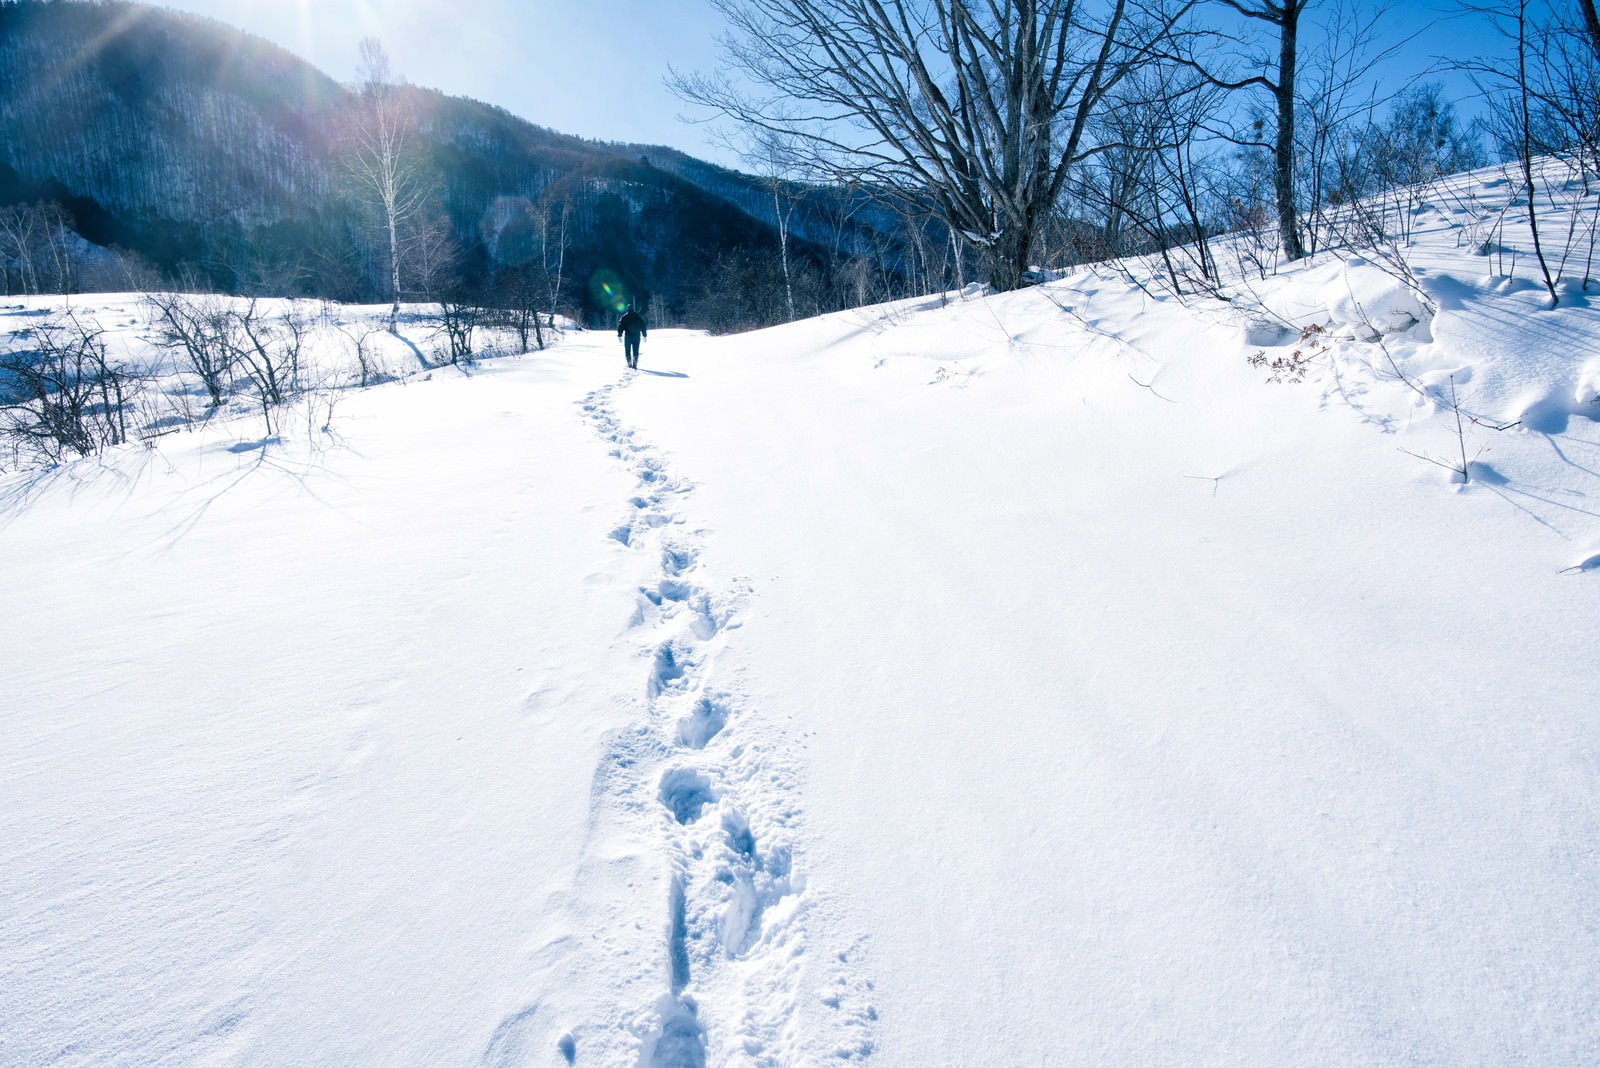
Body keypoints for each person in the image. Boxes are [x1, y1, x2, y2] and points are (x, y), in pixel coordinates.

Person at [617, 304, 647, 370]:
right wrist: (644, 335)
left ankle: (629, 363)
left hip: (628, 336)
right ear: (633, 309)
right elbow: (643, 326)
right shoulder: (638, 316)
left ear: (627, 309)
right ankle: (635, 364)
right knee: (635, 350)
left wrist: (619, 335)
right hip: (637, 336)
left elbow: (620, 327)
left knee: (627, 350)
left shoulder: (624, 317)